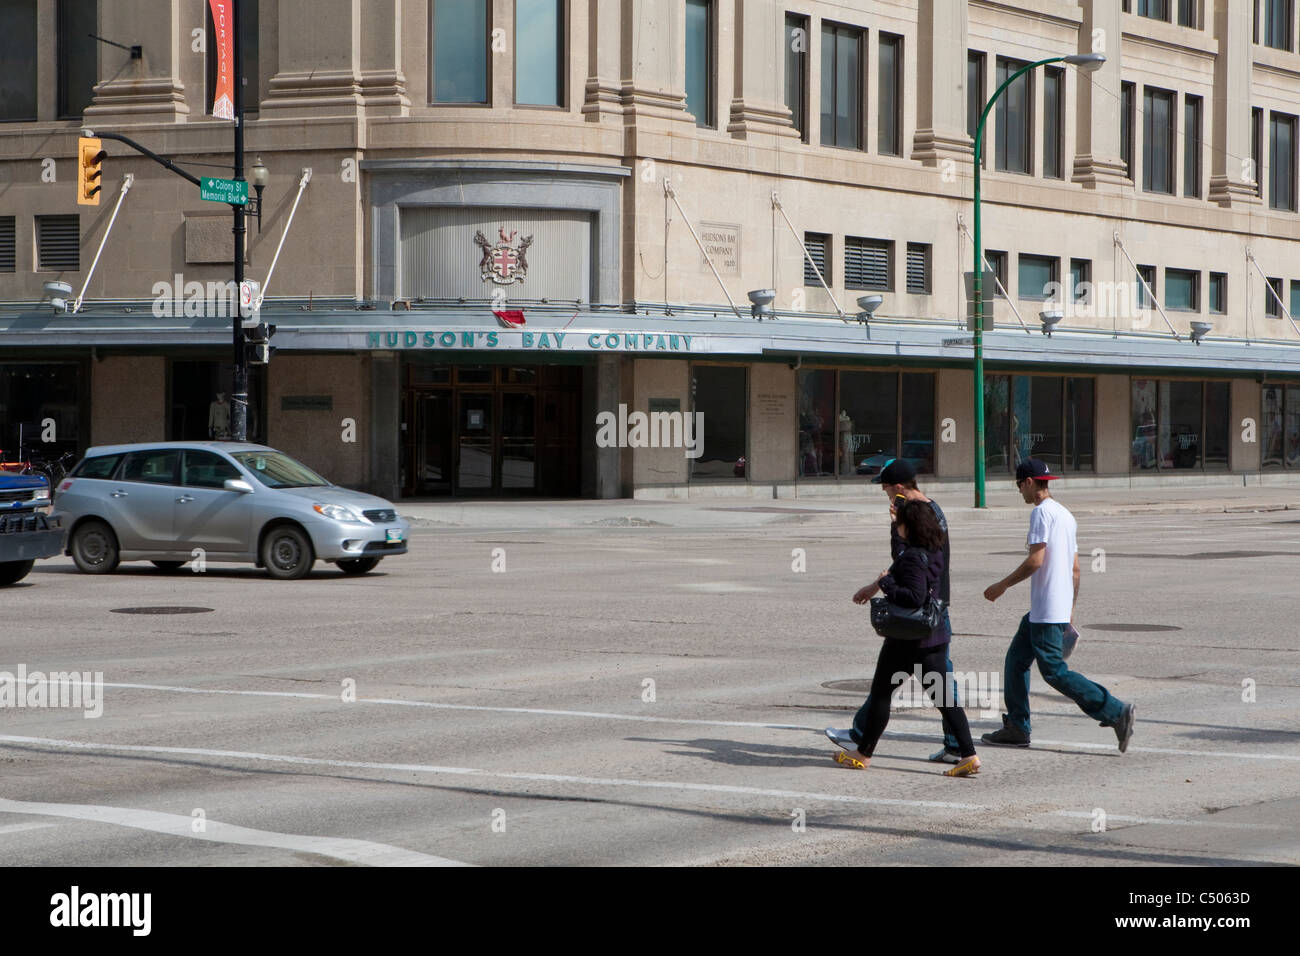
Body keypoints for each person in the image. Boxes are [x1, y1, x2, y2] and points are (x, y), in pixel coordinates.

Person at [981, 458, 1135, 752]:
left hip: (1046, 609)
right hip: (1052, 607)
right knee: (1016, 662)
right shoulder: (1066, 515)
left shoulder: (1041, 513)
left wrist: (1002, 585)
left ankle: (1115, 711)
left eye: (1019, 486)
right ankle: (1017, 726)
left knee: (1054, 671)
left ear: (1028, 483)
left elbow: (1036, 560)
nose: (1019, 493)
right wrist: (1070, 607)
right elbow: (1076, 569)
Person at [827, 458, 966, 764]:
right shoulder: (933, 509)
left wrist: (894, 528)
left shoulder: (919, 514)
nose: (887, 496)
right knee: (920, 684)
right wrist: (877, 585)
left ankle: (864, 743)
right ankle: (958, 747)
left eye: (888, 490)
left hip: (922, 613)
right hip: (932, 609)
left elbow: (907, 558)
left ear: (900, 488)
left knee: (902, 685)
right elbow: (911, 564)